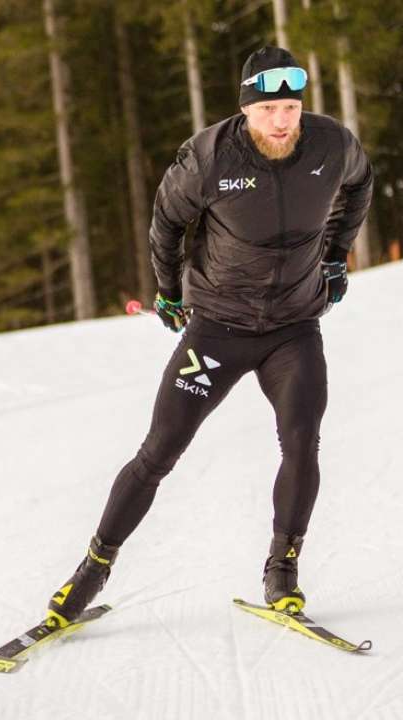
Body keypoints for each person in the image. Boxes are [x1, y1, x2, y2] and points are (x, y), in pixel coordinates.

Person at [45, 46, 373, 627]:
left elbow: (361, 185)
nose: (281, 120)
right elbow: (167, 220)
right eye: (269, 108)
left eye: (291, 107)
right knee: (160, 451)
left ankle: (283, 571)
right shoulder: (209, 156)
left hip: (293, 329)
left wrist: (337, 257)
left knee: (302, 442)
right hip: (218, 329)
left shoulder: (331, 144)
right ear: (247, 108)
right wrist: (169, 290)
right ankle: (93, 568)